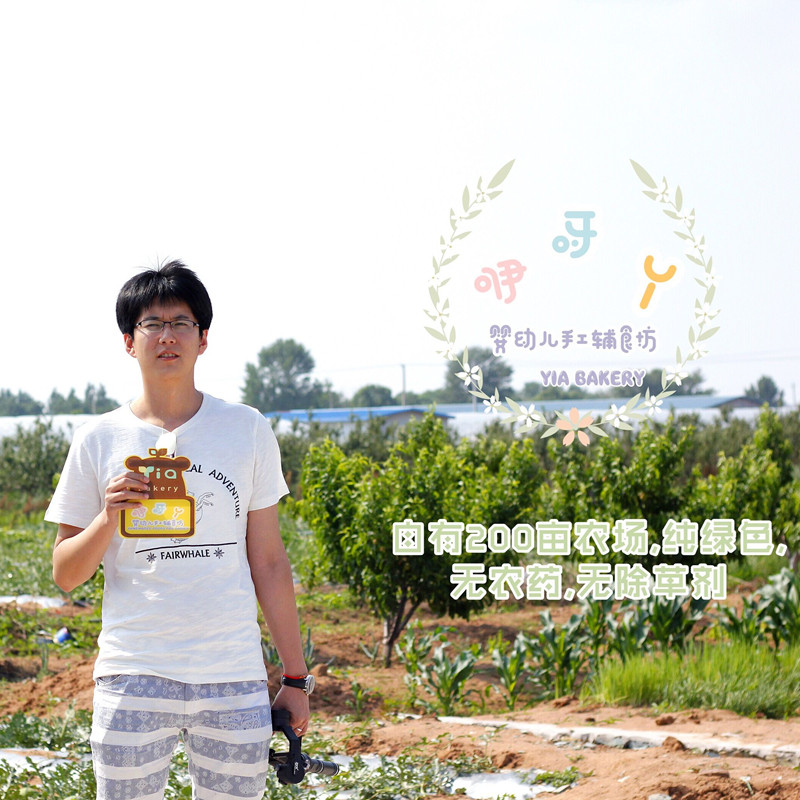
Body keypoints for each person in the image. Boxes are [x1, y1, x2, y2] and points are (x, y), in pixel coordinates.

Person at [46, 261, 312, 800]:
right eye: (152, 323)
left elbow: (268, 562)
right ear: (129, 341)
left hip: (232, 675)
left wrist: (294, 677)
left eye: (181, 322)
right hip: (132, 674)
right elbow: (66, 574)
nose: (167, 335)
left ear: (203, 338)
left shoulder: (246, 429)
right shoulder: (97, 439)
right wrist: (108, 517)